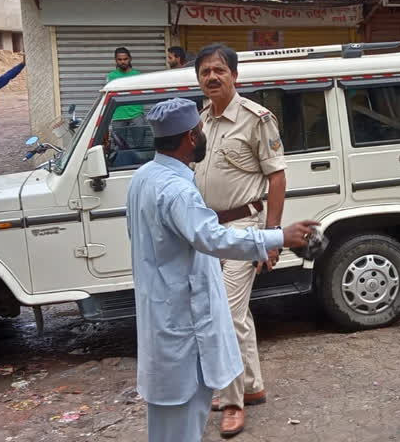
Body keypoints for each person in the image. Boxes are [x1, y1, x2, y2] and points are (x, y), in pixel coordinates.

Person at [126, 97, 316, 442]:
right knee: (183, 421)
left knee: (166, 423)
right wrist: (280, 236)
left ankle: (245, 390)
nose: (204, 136)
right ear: (189, 138)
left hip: (162, 313)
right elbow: (211, 238)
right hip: (181, 323)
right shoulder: (178, 191)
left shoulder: (144, 177)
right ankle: (235, 398)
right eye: (200, 131)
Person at [193, 43, 287, 437]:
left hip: (244, 230)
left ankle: (231, 402)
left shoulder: (256, 119)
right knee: (237, 315)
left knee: (225, 316)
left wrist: (271, 238)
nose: (212, 77)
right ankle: (251, 386)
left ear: (235, 75)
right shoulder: (202, 120)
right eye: (205, 72)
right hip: (210, 233)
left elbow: (277, 177)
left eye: (219, 70)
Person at [106, 47, 143, 149]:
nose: (123, 62)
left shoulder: (137, 75)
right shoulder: (111, 76)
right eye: (120, 59)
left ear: (130, 59)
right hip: (118, 115)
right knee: (119, 146)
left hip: (136, 114)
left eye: (125, 59)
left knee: (140, 145)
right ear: (116, 60)